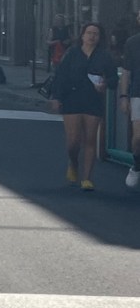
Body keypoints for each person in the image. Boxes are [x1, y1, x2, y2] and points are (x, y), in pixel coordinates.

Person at [49, 23, 118, 191]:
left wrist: (105, 84)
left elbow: (114, 79)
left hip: (93, 101)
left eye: (96, 33)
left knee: (90, 139)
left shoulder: (104, 56)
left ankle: (87, 178)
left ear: (99, 38)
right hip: (72, 99)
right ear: (82, 36)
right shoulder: (72, 53)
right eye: (89, 33)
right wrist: (56, 97)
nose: (92, 36)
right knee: (73, 142)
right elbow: (60, 76)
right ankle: (73, 163)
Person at [119, 10, 140, 188]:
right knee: (138, 136)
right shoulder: (133, 42)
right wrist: (123, 96)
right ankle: (136, 165)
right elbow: (126, 72)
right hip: (138, 93)